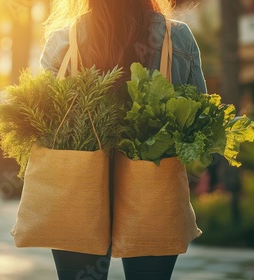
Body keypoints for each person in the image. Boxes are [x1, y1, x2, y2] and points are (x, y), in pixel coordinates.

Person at [39, 1, 207, 279]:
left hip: (77, 190)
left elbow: (42, 122)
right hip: (154, 189)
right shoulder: (175, 37)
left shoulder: (64, 40)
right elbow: (200, 119)